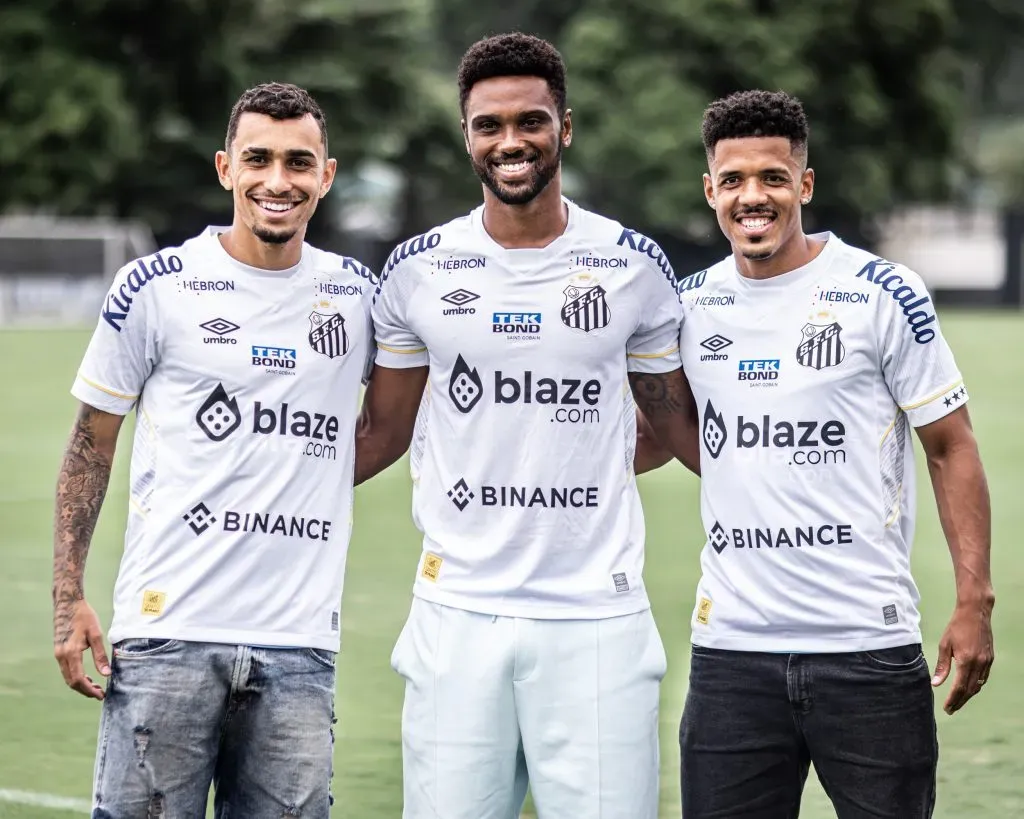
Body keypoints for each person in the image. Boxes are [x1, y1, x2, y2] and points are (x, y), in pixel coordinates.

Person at [353, 32, 697, 819]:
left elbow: (674, 429)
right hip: (457, 610)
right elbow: (386, 429)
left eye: (531, 121)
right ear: (468, 136)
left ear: (564, 128)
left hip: (596, 615)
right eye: (489, 125)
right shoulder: (417, 270)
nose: (511, 142)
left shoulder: (632, 265)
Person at [662, 89, 994, 818]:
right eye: (735, 180)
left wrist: (975, 600)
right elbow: (661, 435)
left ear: (804, 185)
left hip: (867, 648)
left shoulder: (880, 292)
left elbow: (951, 445)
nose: (754, 197)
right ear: (710, 190)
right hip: (731, 655)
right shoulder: (685, 307)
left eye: (773, 178)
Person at [52, 82, 376, 818]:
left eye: (299, 162)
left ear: (326, 176)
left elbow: (392, 421)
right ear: (226, 167)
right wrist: (67, 597)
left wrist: (311, 476)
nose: (278, 181)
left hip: (299, 643)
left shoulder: (357, 295)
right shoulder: (155, 286)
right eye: (258, 158)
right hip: (167, 636)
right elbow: (88, 447)